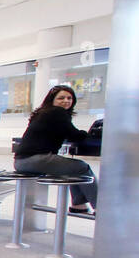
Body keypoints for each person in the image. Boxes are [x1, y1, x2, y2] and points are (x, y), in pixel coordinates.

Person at [13, 85, 99, 213]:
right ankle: (100, 207)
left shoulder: (43, 113)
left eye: (69, 98)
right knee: (82, 167)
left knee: (74, 169)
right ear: (52, 100)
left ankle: (79, 204)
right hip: (36, 160)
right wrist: (90, 134)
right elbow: (73, 135)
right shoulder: (57, 112)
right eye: (61, 98)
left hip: (21, 162)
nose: (66, 101)